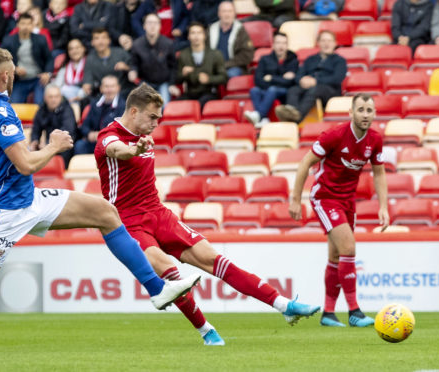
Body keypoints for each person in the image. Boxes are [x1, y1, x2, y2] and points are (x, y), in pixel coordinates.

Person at [0, 47, 200, 330]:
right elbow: (25, 164)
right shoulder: (1, 112)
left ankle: (157, 290)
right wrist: (54, 146)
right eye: (14, 74)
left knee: (105, 212)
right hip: (5, 210)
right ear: (7, 75)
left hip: (28, 198)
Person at [95, 83, 321, 343]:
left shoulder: (146, 136)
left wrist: (139, 146)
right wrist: (133, 150)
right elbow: (115, 150)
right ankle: (206, 330)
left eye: (159, 117)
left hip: (158, 213)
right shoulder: (109, 136)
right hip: (129, 223)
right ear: (133, 111)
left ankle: (283, 305)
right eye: (152, 117)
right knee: (170, 273)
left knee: (214, 259)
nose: (157, 123)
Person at [289, 93, 389, 328]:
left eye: (369, 110)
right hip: (325, 197)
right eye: (361, 110)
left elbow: (379, 172)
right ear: (351, 113)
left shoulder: (374, 139)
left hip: (347, 201)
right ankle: (354, 312)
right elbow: (305, 162)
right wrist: (295, 199)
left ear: (374, 114)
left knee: (336, 256)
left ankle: (328, 313)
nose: (365, 114)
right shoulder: (334, 135)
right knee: (349, 247)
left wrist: (383, 206)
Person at [275, 30, 346, 124]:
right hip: (309, 88)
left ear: (335, 43)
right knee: (293, 90)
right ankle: (292, 113)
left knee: (315, 89)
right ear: (318, 43)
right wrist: (301, 80)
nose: (326, 44)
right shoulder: (310, 59)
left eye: (329, 41)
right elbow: (299, 74)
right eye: (323, 40)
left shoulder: (340, 60)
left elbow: (337, 78)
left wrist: (316, 81)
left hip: (329, 90)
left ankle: (296, 118)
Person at [244, 31, 298, 126]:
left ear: (287, 45)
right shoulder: (265, 59)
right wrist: (281, 79)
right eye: (278, 43)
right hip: (267, 90)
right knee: (254, 90)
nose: (281, 46)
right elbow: (258, 80)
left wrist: (271, 78)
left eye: (284, 43)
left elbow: (290, 82)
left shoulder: (293, 60)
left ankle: (259, 116)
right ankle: (263, 119)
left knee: (272, 89)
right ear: (273, 45)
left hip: (284, 92)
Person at [1, 13, 53, 105]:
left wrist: (47, 74)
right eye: (23, 23)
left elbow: (49, 59)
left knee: (39, 104)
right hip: (20, 80)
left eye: (29, 24)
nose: (26, 26)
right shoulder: (8, 41)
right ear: (18, 25)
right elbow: (1, 60)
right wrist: (14, 69)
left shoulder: (41, 39)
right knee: (13, 105)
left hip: (38, 79)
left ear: (33, 25)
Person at [176, 22, 228, 109]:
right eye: (193, 33)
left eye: (199, 33)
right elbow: (177, 79)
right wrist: (183, 74)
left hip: (209, 93)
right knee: (175, 106)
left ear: (204, 36)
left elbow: (224, 77)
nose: (196, 36)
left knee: (199, 105)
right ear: (188, 36)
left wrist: (209, 79)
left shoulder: (215, 54)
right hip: (190, 93)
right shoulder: (183, 55)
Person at [128, 13, 176, 105]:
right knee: (145, 108)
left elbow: (173, 66)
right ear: (144, 26)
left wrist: (171, 83)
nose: (152, 26)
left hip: (164, 82)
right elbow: (134, 63)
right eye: (149, 23)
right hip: (145, 83)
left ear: (160, 26)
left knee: (163, 106)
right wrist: (133, 71)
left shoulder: (168, 44)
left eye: (155, 23)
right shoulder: (137, 45)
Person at [31, 84, 78, 167]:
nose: (54, 100)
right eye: (51, 97)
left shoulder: (67, 109)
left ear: (60, 97)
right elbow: (36, 129)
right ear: (45, 98)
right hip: (49, 145)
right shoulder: (42, 110)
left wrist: (48, 144)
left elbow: (67, 132)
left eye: (56, 97)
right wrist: (34, 141)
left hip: (66, 145)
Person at [75, 75, 124, 154]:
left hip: (112, 143)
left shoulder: (123, 106)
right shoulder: (95, 104)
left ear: (118, 88)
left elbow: (121, 129)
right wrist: (89, 134)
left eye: (112, 86)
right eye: (106, 86)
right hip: (94, 141)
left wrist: (101, 134)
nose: (109, 90)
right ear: (101, 88)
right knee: (80, 145)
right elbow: (85, 125)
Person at [82, 27, 134, 98]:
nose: (100, 41)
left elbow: (135, 69)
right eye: (97, 38)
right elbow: (88, 78)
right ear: (92, 42)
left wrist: (126, 67)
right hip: (103, 94)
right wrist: (87, 84)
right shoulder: (90, 59)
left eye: (103, 38)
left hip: (124, 92)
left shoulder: (121, 53)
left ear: (109, 40)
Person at [208, 1, 254, 78]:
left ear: (234, 13)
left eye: (230, 11)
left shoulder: (240, 30)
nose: (227, 14)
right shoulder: (211, 29)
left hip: (234, 67)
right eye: (224, 11)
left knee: (229, 74)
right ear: (219, 13)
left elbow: (246, 55)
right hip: (213, 66)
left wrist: (225, 65)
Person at [53, 38, 88, 103]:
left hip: (85, 95)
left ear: (83, 49)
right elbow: (57, 85)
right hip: (68, 97)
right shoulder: (65, 66)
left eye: (77, 48)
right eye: (71, 49)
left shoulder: (89, 62)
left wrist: (81, 94)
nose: (74, 51)